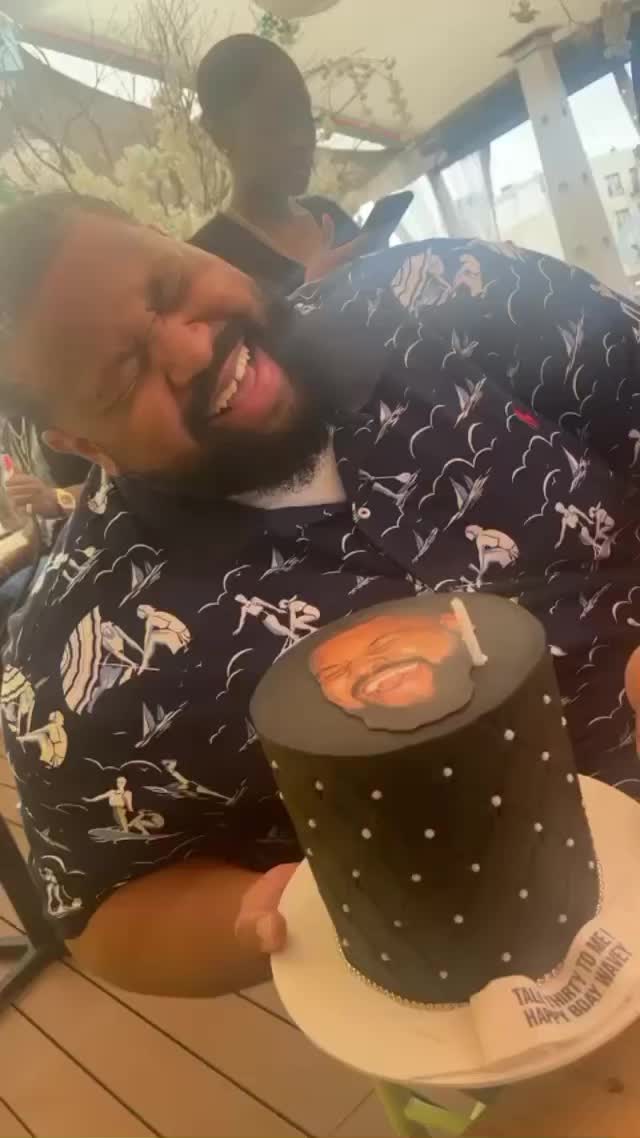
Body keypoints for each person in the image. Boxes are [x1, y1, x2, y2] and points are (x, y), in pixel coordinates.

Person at [2, 192, 640, 1000]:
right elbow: (99, 906)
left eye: (167, 287)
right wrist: (251, 915)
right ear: (80, 443)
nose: (193, 349)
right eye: (125, 374)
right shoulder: (75, 663)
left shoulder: (449, 291)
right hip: (507, 979)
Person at [191, 34, 362, 291]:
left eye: (305, 117)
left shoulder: (329, 216)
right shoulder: (208, 261)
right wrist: (314, 298)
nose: (301, 139)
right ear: (221, 134)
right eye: (276, 122)